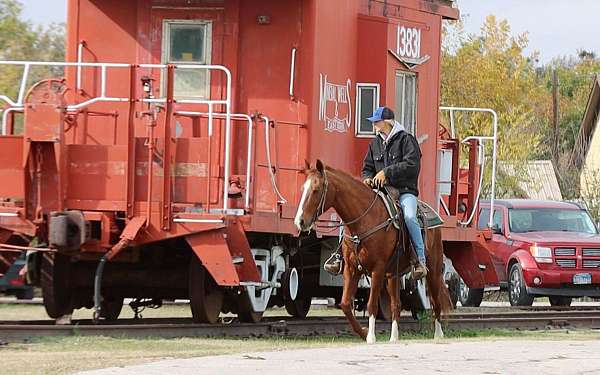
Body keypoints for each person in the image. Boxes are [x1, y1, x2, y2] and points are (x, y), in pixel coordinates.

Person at [323, 106, 428, 279]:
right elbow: (367, 167)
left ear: (387, 122)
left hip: (404, 191)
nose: (374, 125)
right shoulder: (375, 143)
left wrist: (387, 173)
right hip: (379, 192)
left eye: (376, 122)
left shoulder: (406, 140)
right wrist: (367, 178)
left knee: (409, 216)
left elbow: (412, 165)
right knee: (350, 215)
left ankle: (419, 260)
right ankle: (339, 256)